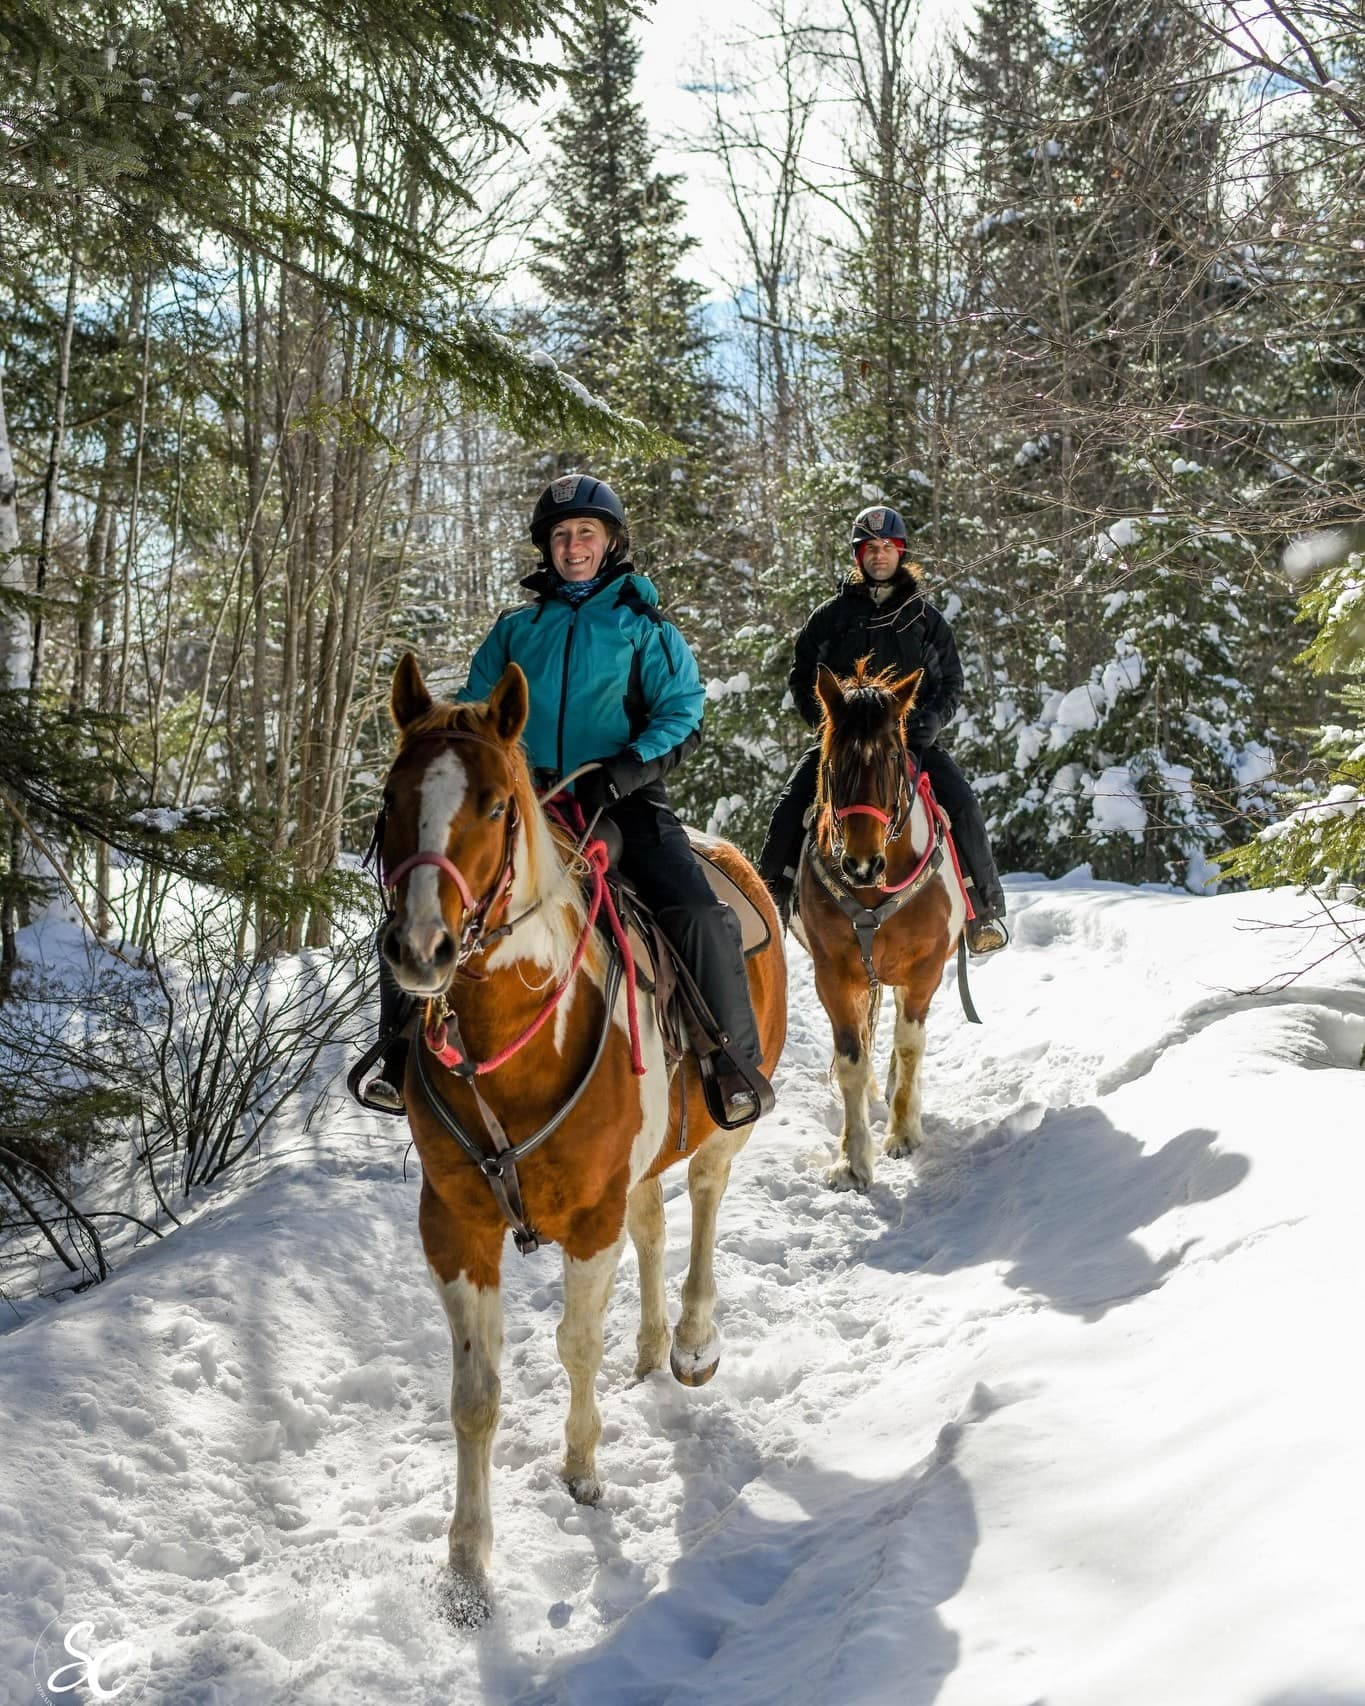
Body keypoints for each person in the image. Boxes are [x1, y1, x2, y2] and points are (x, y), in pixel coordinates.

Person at [365, 473, 774, 1126]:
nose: (573, 545)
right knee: (426, 897)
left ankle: (731, 1063)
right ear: (546, 548)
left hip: (624, 799)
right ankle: (397, 1056)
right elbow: (477, 718)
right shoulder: (515, 630)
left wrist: (621, 771)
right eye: (561, 535)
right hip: (524, 803)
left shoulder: (644, 627)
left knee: (695, 911)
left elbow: (682, 711)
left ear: (609, 543)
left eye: (586, 533)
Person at [757, 504, 1009, 954]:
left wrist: (926, 724)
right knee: (792, 800)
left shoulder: (925, 620)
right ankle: (772, 896)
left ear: (901, 552)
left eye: (887, 548)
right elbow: (802, 676)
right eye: (870, 548)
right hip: (844, 745)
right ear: (858, 555)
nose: (879, 556)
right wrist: (829, 725)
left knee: (962, 802)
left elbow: (951, 680)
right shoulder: (830, 618)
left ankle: (982, 910)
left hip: (909, 742)